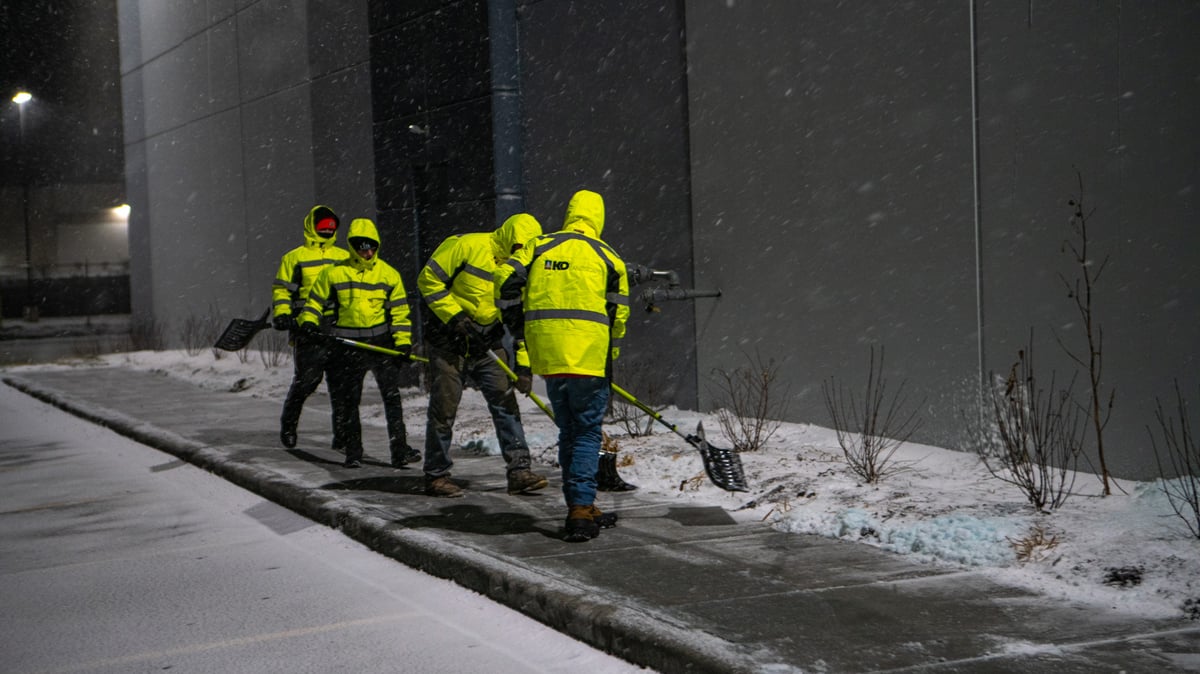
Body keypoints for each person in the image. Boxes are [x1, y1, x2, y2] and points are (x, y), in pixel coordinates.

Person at [495, 190, 629, 542]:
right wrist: (608, 356)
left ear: (570, 214)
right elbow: (619, 314)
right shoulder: (607, 256)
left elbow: (504, 279)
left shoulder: (540, 247)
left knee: (569, 430)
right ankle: (581, 509)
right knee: (586, 431)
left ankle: (580, 502)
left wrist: (518, 325)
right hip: (587, 357)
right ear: (597, 218)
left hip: (549, 355)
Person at [416, 213, 549, 498]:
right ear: (508, 239)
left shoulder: (521, 272)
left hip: (488, 343)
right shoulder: (467, 246)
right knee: (444, 409)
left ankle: (519, 471)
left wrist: (524, 369)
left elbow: (519, 322)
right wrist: (455, 317)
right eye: (517, 248)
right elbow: (428, 280)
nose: (519, 255)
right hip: (449, 343)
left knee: (506, 405)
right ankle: (436, 475)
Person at [297, 218, 420, 469]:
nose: (367, 252)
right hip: (348, 344)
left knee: (392, 398)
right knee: (350, 400)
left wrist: (403, 343)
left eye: (371, 247)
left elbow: (400, 314)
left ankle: (399, 450)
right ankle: (353, 451)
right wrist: (308, 321)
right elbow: (313, 303)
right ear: (352, 247)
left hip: (380, 342)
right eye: (362, 247)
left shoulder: (389, 274)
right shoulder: (333, 273)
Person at [271, 205, 349, 449]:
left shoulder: (343, 257)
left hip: (337, 326)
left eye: (331, 228)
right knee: (307, 380)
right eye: (323, 227)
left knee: (341, 384)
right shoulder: (294, 258)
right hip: (307, 326)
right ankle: (289, 425)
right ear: (312, 227)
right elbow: (282, 290)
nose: (327, 231)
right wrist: (283, 314)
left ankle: (343, 436)